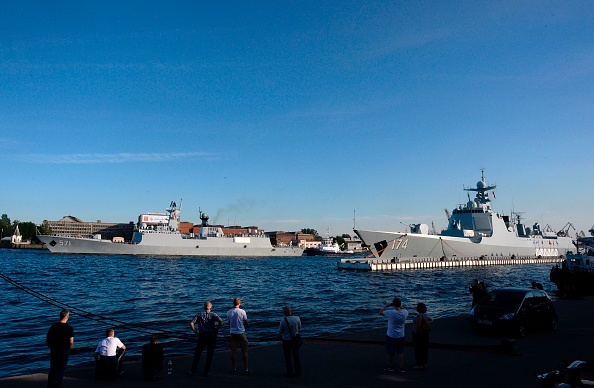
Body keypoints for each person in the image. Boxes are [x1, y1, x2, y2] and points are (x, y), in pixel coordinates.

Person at [189, 301, 223, 377]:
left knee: (198, 353)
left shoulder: (199, 314)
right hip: (211, 335)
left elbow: (191, 323)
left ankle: (193, 371)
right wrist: (217, 329)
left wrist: (196, 332)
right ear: (211, 307)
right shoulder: (213, 314)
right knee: (209, 354)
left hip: (202, 336)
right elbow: (220, 320)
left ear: (204, 307)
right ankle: (206, 371)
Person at [46, 309, 74, 388]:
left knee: (53, 369)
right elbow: (71, 342)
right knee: (60, 370)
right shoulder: (69, 328)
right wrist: (69, 348)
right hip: (64, 350)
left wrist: (51, 347)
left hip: (54, 350)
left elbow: (48, 339)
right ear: (67, 317)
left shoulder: (53, 326)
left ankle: (50, 385)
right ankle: (57, 386)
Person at [379, 298, 408, 373]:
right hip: (401, 335)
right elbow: (403, 309)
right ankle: (401, 367)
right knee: (400, 352)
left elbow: (380, 312)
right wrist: (399, 306)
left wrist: (387, 305)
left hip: (391, 335)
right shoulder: (405, 312)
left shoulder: (391, 312)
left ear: (393, 304)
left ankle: (390, 366)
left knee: (390, 352)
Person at [227, 297, 250, 375]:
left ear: (233, 303)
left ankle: (234, 368)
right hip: (241, 333)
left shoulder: (229, 312)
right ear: (239, 303)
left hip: (232, 333)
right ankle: (246, 369)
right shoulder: (242, 311)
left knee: (233, 352)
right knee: (244, 351)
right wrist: (247, 324)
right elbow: (246, 321)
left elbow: (229, 322)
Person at [278, 305, 302, 377]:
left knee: (287, 357)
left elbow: (280, 331)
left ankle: (290, 372)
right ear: (290, 311)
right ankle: (298, 372)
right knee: (296, 356)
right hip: (295, 340)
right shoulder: (297, 318)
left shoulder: (283, 320)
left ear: (284, 313)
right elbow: (300, 327)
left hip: (286, 340)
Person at [412, 303, 432, 370]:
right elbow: (431, 319)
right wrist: (427, 323)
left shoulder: (419, 316)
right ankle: (425, 363)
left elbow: (418, 326)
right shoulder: (426, 315)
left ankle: (419, 364)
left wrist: (416, 333)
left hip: (419, 334)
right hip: (425, 334)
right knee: (424, 348)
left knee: (418, 349)